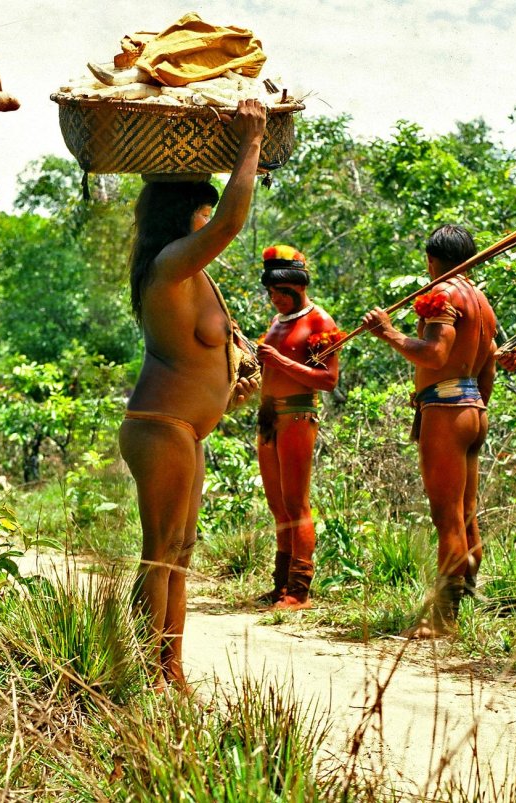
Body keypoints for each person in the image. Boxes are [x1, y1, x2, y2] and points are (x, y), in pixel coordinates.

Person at [119, 99, 266, 692]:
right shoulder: (169, 265)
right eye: (205, 211)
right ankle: (151, 672)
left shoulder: (195, 273)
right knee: (161, 553)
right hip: (161, 425)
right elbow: (233, 223)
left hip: (186, 429)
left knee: (180, 552)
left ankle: (169, 669)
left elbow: (203, 352)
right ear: (189, 214)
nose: (213, 222)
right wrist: (250, 144)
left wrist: (238, 370)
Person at [361, 224, 496, 638]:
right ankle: (466, 593)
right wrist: (472, 403)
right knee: (466, 512)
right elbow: (487, 364)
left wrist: (388, 331)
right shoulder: (483, 304)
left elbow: (435, 354)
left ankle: (444, 618)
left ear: (432, 261)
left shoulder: (445, 295)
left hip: (447, 411)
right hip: (473, 408)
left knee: (447, 516)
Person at [254, 245, 340, 610]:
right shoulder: (277, 323)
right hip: (269, 417)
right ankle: (280, 584)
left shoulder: (320, 322)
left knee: (295, 503)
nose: (275, 300)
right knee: (276, 504)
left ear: (298, 288)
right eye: (271, 293)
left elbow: (328, 379)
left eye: (281, 293)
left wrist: (280, 363)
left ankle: (299, 590)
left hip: (298, 416)